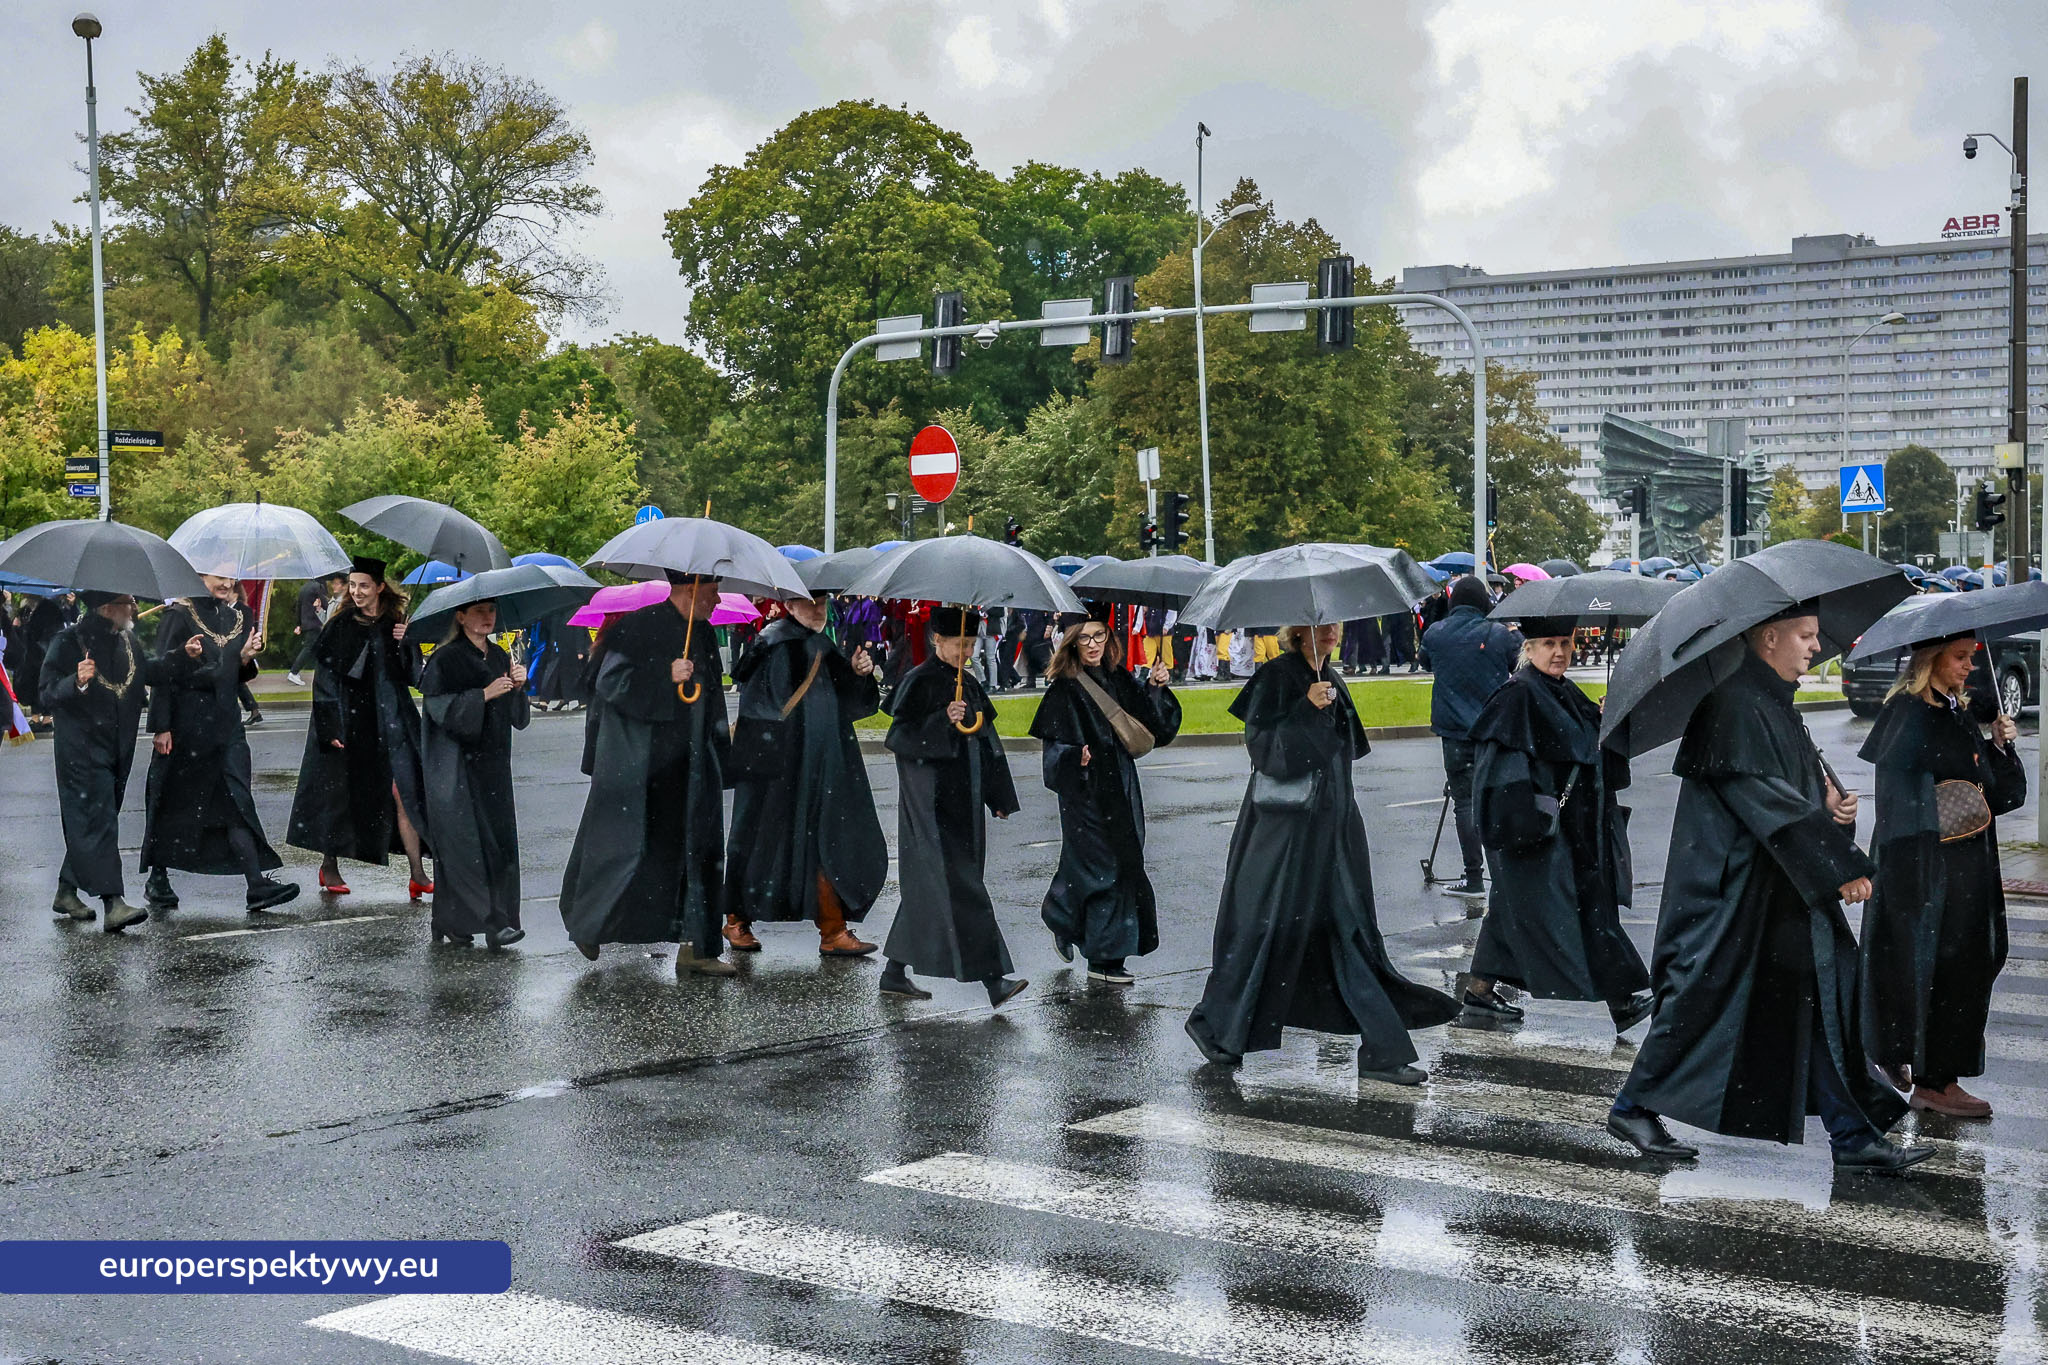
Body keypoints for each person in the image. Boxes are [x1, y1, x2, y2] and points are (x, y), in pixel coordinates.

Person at [1605, 608, 1930, 1173]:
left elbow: (1792, 799)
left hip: (1777, 890)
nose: (1815, 647)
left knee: (1815, 1003)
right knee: (1699, 1001)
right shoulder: (1733, 707)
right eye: (1805, 636)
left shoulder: (1774, 702)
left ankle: (1852, 1135)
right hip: (1730, 896)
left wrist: (1833, 812)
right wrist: (1839, 865)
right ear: (1769, 638)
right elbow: (1766, 803)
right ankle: (1632, 1106)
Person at [1185, 623, 1461, 1082]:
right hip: (1285, 832)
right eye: (1320, 625)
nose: (1330, 631)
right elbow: (1266, 753)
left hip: (1333, 827)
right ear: (1297, 631)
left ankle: (1383, 1050)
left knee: (1350, 932)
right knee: (1264, 930)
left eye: (1334, 624)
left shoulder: (1332, 677)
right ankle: (1214, 1024)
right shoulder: (1276, 676)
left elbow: (1344, 750)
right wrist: (1303, 708)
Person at [1859, 634, 2025, 1118]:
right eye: (1959, 657)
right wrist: (1920, 872)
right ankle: (1933, 1080)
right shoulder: (1907, 714)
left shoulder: (1956, 711)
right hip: (1928, 868)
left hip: (1969, 864)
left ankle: (1919, 1063)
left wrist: (1999, 747)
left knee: (1970, 961)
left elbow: (1993, 792)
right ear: (1930, 660)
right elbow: (1898, 805)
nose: (1969, 667)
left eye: (1971, 657)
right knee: (1937, 965)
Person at [1459, 619, 1652, 1032]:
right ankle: (1622, 999)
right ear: (1528, 649)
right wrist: (1523, 827)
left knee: (1516, 910)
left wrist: (1606, 720)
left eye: (1565, 642)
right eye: (1549, 643)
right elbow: (1499, 771)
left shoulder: (1564, 691)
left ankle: (1479, 994)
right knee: (1579, 910)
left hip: (1573, 831)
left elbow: (1591, 755)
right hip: (1541, 833)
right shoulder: (1517, 695)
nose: (1560, 651)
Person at [558, 574, 736, 977]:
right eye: (713, 591)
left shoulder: (704, 632)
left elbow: (712, 697)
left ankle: (699, 948)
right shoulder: (637, 627)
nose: (718, 599)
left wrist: (719, 751)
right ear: (690, 588)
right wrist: (663, 675)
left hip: (691, 762)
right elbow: (609, 684)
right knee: (625, 851)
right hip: (644, 765)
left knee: (699, 856)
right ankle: (590, 924)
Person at [723, 592, 887, 958]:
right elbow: (758, 708)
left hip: (824, 763)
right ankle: (737, 919)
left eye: (822, 603)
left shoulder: (822, 645)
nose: (818, 610)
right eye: (809, 603)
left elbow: (847, 702)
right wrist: (780, 754)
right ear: (789, 605)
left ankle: (833, 929)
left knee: (825, 841)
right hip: (778, 768)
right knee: (762, 842)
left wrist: (858, 673)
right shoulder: (771, 643)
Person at [879, 606, 1026, 1005]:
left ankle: (893, 972)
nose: (965, 652)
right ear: (937, 640)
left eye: (970, 644)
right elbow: (901, 739)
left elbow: (987, 741)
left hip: (965, 803)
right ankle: (994, 980)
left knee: (932, 888)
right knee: (964, 890)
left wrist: (999, 796)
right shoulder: (918, 680)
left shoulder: (970, 683)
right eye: (958, 644)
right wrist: (942, 718)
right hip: (933, 806)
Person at [1030, 613, 1182, 984]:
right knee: (1103, 868)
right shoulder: (1064, 690)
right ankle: (1103, 958)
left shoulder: (1119, 678)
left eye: (1099, 635)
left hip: (1122, 784)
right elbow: (1053, 758)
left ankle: (1063, 916)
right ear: (1071, 643)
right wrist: (1075, 759)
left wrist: (1156, 688)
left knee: (1117, 862)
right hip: (1085, 791)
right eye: (1085, 638)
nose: (1094, 644)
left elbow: (1155, 729)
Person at [141, 575, 298, 913]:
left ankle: (256, 884)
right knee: (173, 800)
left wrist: (245, 659)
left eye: (230, 576)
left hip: (227, 724)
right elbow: (163, 674)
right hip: (187, 724)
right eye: (218, 575)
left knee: (237, 800)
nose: (227, 582)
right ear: (199, 575)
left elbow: (234, 674)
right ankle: (158, 877)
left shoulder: (239, 615)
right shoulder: (178, 615)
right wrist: (161, 726)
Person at [286, 557, 432, 898]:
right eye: (353, 585)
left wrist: (408, 641)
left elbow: (414, 677)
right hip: (351, 720)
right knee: (340, 794)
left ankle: (417, 873)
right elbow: (325, 680)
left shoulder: (396, 623)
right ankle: (329, 866)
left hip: (393, 719)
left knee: (404, 792)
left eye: (364, 585)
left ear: (379, 587)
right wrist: (330, 726)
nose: (357, 592)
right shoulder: (340, 625)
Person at [41, 592, 159, 932]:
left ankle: (66, 891)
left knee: (95, 821)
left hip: (116, 748)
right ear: (107, 608)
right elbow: (46, 693)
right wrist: (76, 681)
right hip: (80, 749)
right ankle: (113, 902)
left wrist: (187, 657)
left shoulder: (126, 640)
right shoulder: (68, 642)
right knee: (101, 820)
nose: (134, 607)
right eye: (127, 602)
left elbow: (151, 671)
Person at [418, 598, 530, 949]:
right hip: (459, 767)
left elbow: (516, 718)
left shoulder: (499, 656)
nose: (487, 617)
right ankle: (492, 923)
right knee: (467, 846)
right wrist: (482, 695)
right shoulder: (445, 658)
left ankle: (454, 920)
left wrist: (518, 688)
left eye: (492, 611)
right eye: (479, 611)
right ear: (461, 616)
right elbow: (440, 711)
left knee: (497, 843)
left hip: (493, 767)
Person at [1422, 576, 1521, 898]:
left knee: (1464, 804)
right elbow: (1519, 662)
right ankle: (1504, 878)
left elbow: (1425, 661)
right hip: (1492, 730)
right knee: (1495, 801)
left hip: (1454, 732)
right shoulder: (1498, 634)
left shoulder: (1436, 633)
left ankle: (1474, 876)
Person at [288, 573, 342, 686]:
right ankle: (294, 672)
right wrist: (333, 608)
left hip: (306, 622)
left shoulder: (305, 587)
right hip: (315, 622)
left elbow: (299, 606)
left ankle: (326, 672)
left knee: (317, 648)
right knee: (310, 648)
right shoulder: (319, 587)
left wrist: (299, 624)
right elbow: (325, 604)